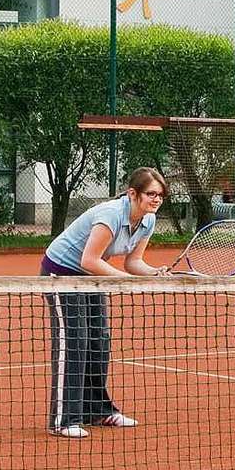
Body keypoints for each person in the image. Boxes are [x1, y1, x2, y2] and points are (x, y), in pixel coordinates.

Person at [40, 167, 167, 438]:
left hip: (92, 276)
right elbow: (89, 260)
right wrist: (124, 281)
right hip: (62, 272)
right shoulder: (110, 215)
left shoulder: (148, 219)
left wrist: (155, 273)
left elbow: (134, 262)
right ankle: (63, 420)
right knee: (75, 341)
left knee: (99, 341)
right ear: (133, 193)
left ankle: (97, 410)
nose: (156, 199)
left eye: (160, 195)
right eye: (151, 194)